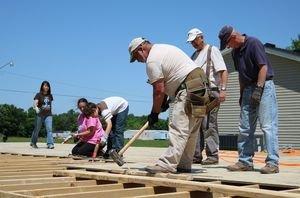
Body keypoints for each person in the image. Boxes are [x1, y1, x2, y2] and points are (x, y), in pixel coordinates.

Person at [129, 37, 209, 173]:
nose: (139, 61)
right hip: (200, 86)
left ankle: (167, 164)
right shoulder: (163, 48)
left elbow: (158, 90)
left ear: (141, 49)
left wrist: (154, 113)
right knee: (191, 130)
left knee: (179, 127)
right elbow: (166, 84)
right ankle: (184, 164)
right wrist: (164, 103)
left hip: (188, 88)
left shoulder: (152, 60)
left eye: (136, 57)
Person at [218, 25, 279, 174]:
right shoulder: (235, 52)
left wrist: (258, 89)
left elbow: (263, 67)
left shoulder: (253, 43)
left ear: (233, 37)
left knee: (267, 126)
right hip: (247, 88)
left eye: (228, 43)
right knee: (245, 126)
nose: (228, 46)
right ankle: (245, 161)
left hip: (264, 86)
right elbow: (241, 75)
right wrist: (241, 94)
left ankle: (272, 163)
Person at [186, 28, 228, 165]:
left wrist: (223, 90)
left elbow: (223, 71)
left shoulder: (212, 50)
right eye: (191, 42)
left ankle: (213, 155)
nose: (193, 44)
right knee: (197, 125)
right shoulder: (193, 56)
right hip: (198, 95)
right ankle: (196, 156)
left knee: (209, 124)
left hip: (211, 92)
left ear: (201, 37)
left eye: (195, 40)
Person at [30, 81, 55, 149]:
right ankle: (33, 142)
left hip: (48, 114)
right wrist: (36, 108)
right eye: (45, 86)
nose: (46, 87)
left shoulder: (50, 95)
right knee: (37, 129)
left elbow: (49, 104)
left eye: (47, 86)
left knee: (49, 129)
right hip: (40, 114)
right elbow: (35, 103)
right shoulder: (38, 94)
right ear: (42, 87)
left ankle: (50, 144)